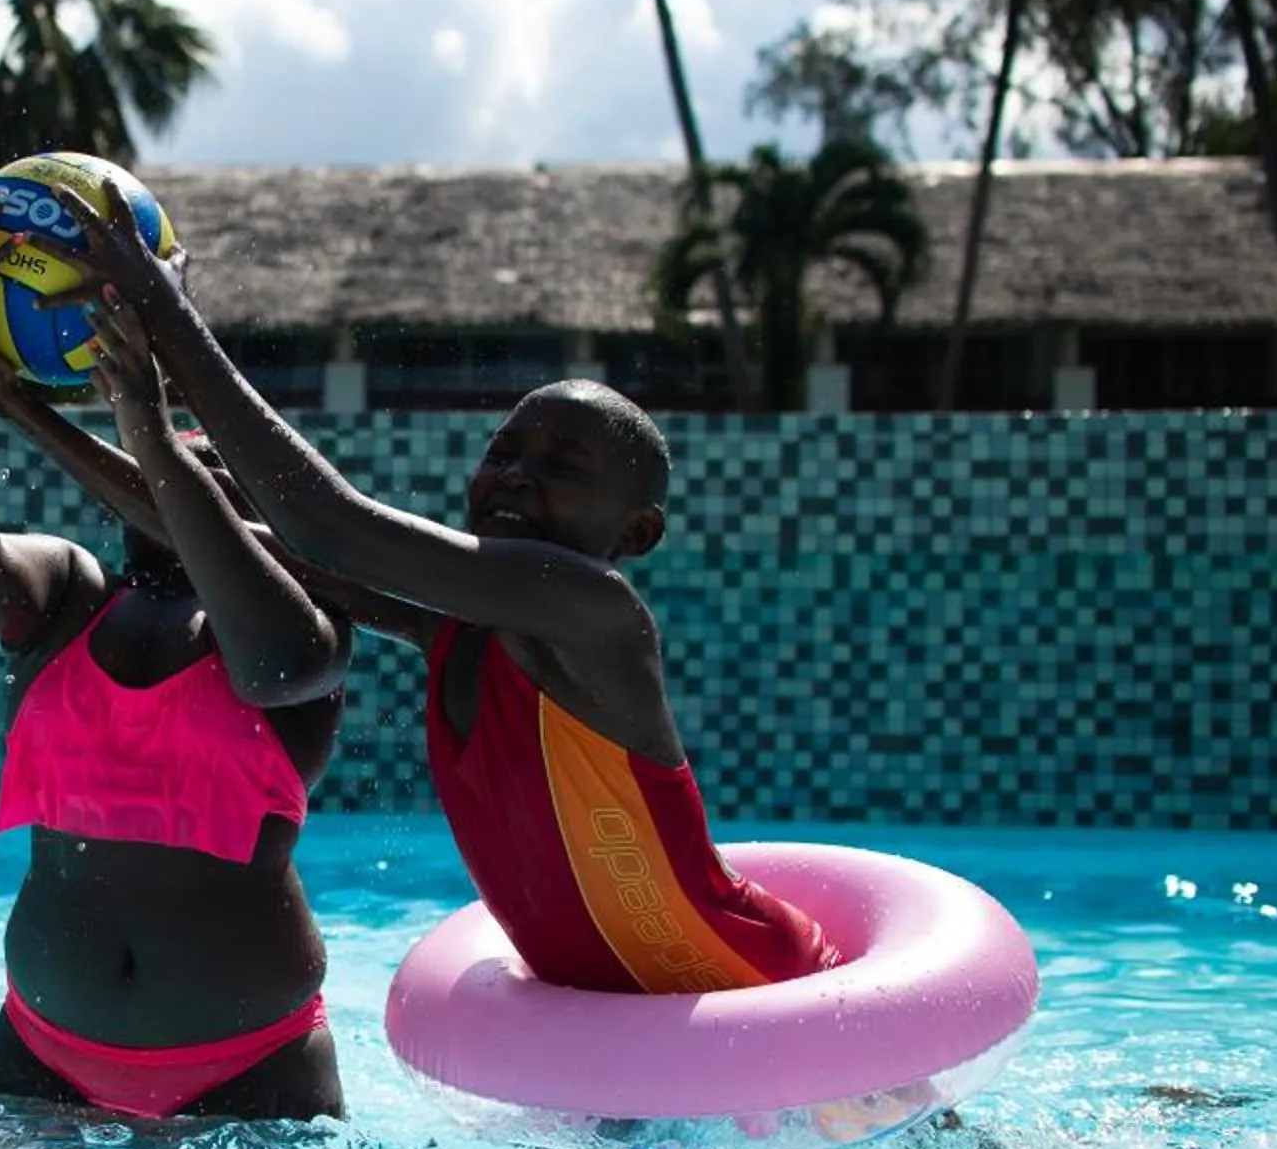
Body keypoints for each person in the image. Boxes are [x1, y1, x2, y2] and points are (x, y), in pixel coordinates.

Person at [59, 193, 837, 998]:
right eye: (504, 452)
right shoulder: (459, 634)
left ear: (636, 534)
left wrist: (168, 316)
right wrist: (26, 411)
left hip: (756, 982)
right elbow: (226, 539)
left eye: (563, 468)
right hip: (614, 1012)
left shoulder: (599, 612)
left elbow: (329, 530)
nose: (518, 475)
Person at [0, 169, 352, 1119]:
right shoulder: (69, 598)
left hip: (252, 1071)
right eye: (177, 453)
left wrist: (149, 429)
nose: (185, 462)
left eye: (209, 465)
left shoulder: (308, 622)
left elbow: (272, 665)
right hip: (38, 1050)